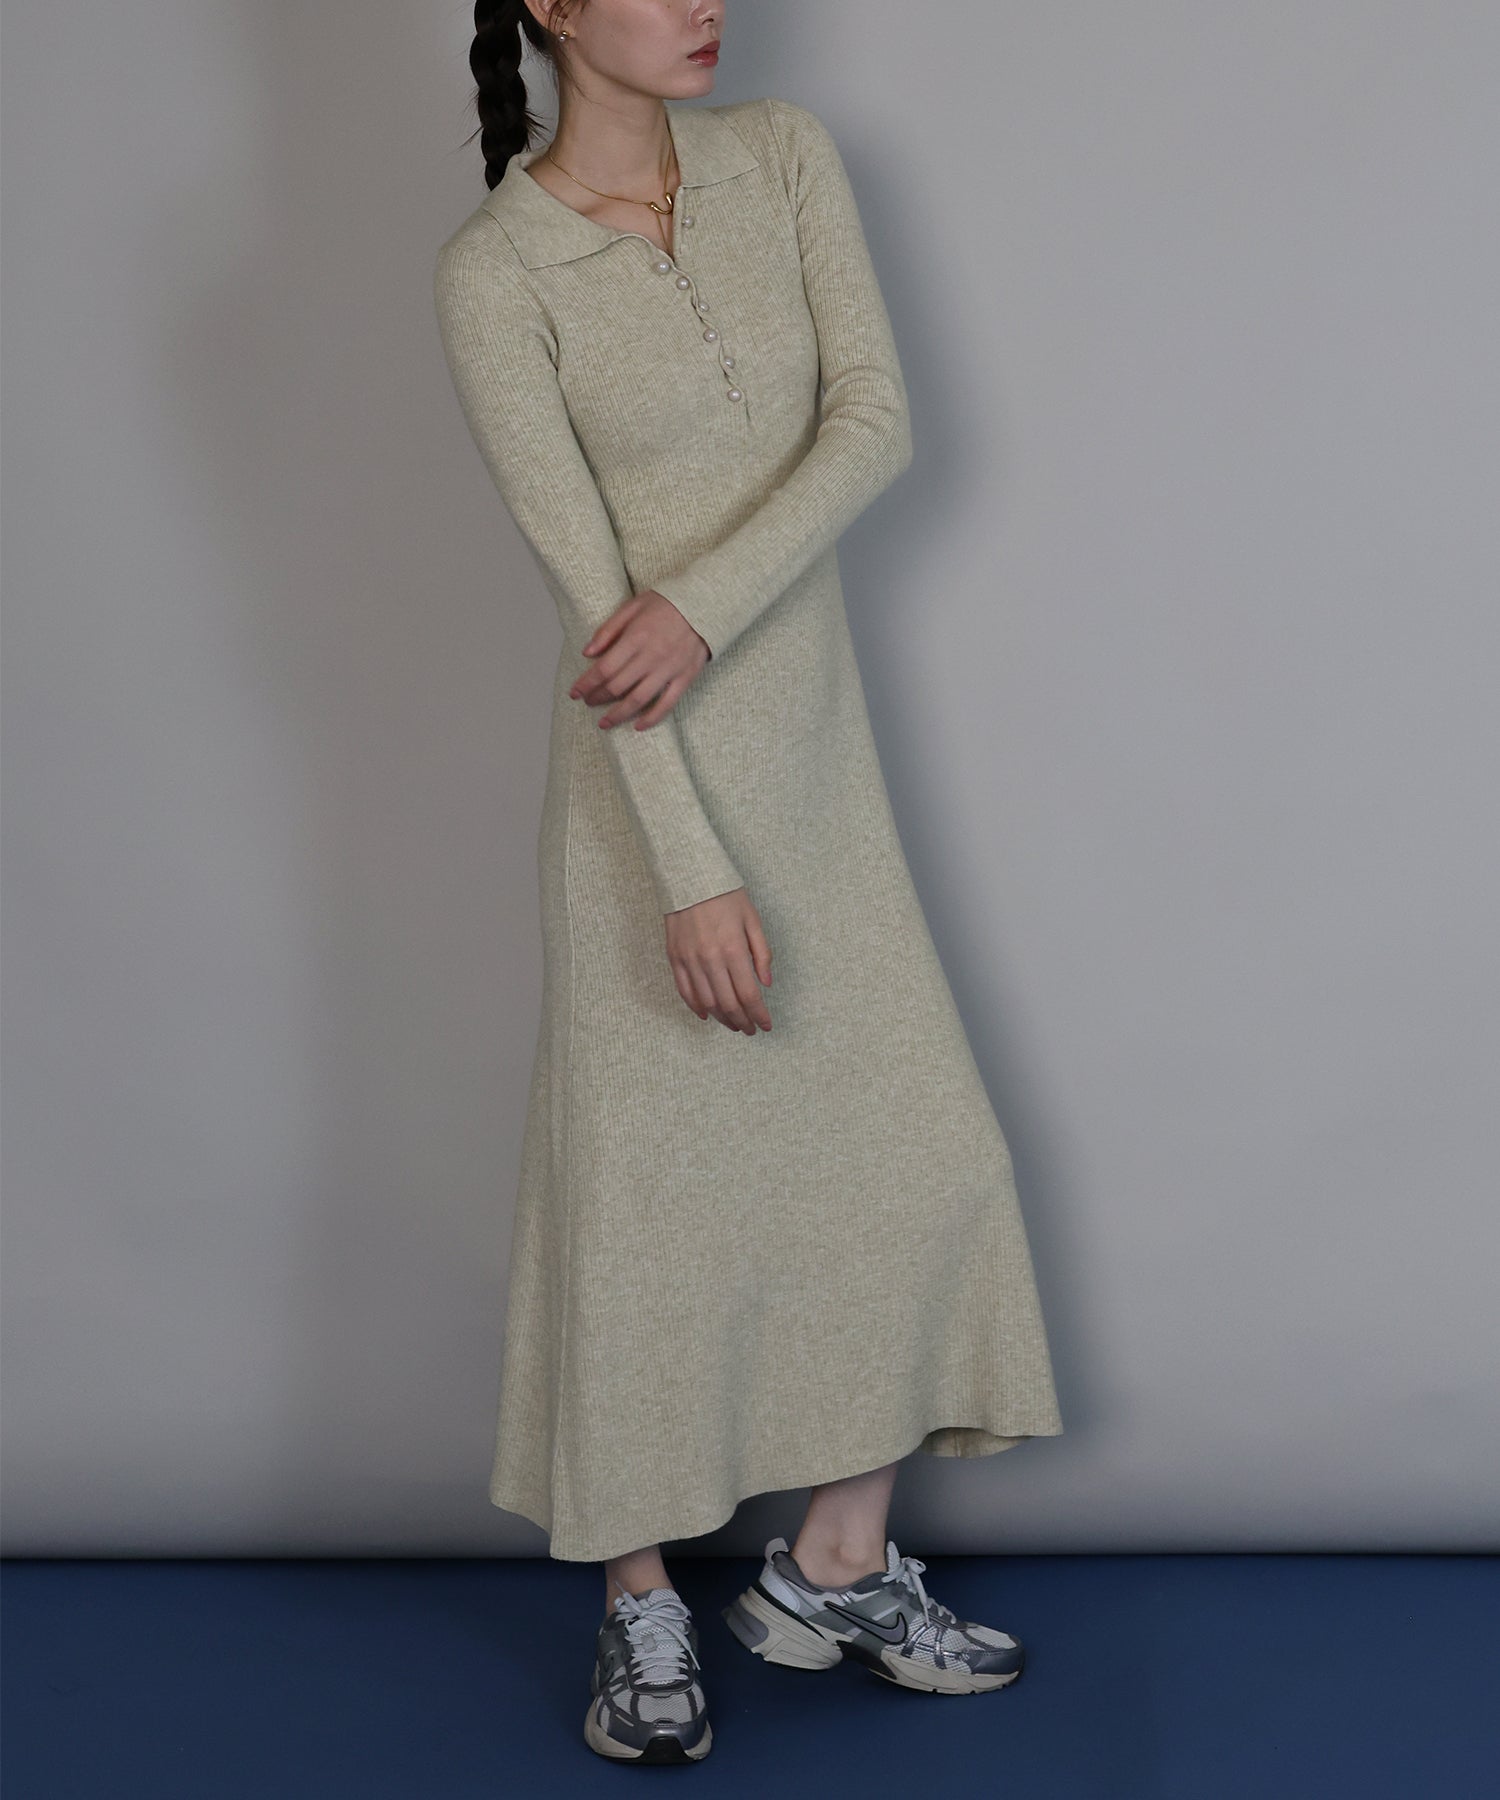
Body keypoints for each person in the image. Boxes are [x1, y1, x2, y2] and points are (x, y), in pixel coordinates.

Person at [433, 0, 1065, 1765]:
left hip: (821, 777)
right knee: (645, 1213)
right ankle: (640, 1602)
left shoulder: (783, 159)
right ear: (551, 2)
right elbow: (592, 612)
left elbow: (874, 421)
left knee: (926, 1160)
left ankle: (833, 1568)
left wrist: (702, 604)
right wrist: (688, 871)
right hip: (648, 807)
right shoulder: (497, 270)